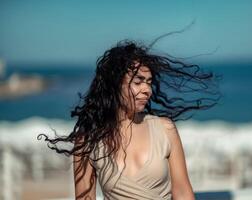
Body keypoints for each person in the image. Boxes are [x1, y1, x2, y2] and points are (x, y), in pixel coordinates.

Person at [38, 38, 221, 200]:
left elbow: (182, 192)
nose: (147, 90)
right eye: (138, 82)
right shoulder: (87, 141)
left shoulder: (165, 129)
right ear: (115, 84)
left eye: (149, 82)